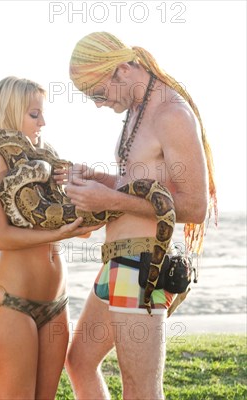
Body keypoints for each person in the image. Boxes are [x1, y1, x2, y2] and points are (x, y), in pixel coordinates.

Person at [58, 32, 217, 399]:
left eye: (98, 93)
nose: (98, 105)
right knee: (79, 361)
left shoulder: (171, 113)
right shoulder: (137, 109)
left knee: (141, 390)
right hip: (117, 260)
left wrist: (109, 199)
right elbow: (144, 183)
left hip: (143, 262)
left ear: (123, 70)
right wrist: (103, 182)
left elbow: (194, 205)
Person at [0, 76, 102, 399]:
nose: (43, 122)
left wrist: (84, 188)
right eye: (34, 114)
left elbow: (81, 229)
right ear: (10, 113)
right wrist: (57, 233)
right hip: (11, 305)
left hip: (56, 304)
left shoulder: (45, 160)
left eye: (41, 114)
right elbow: (0, 237)